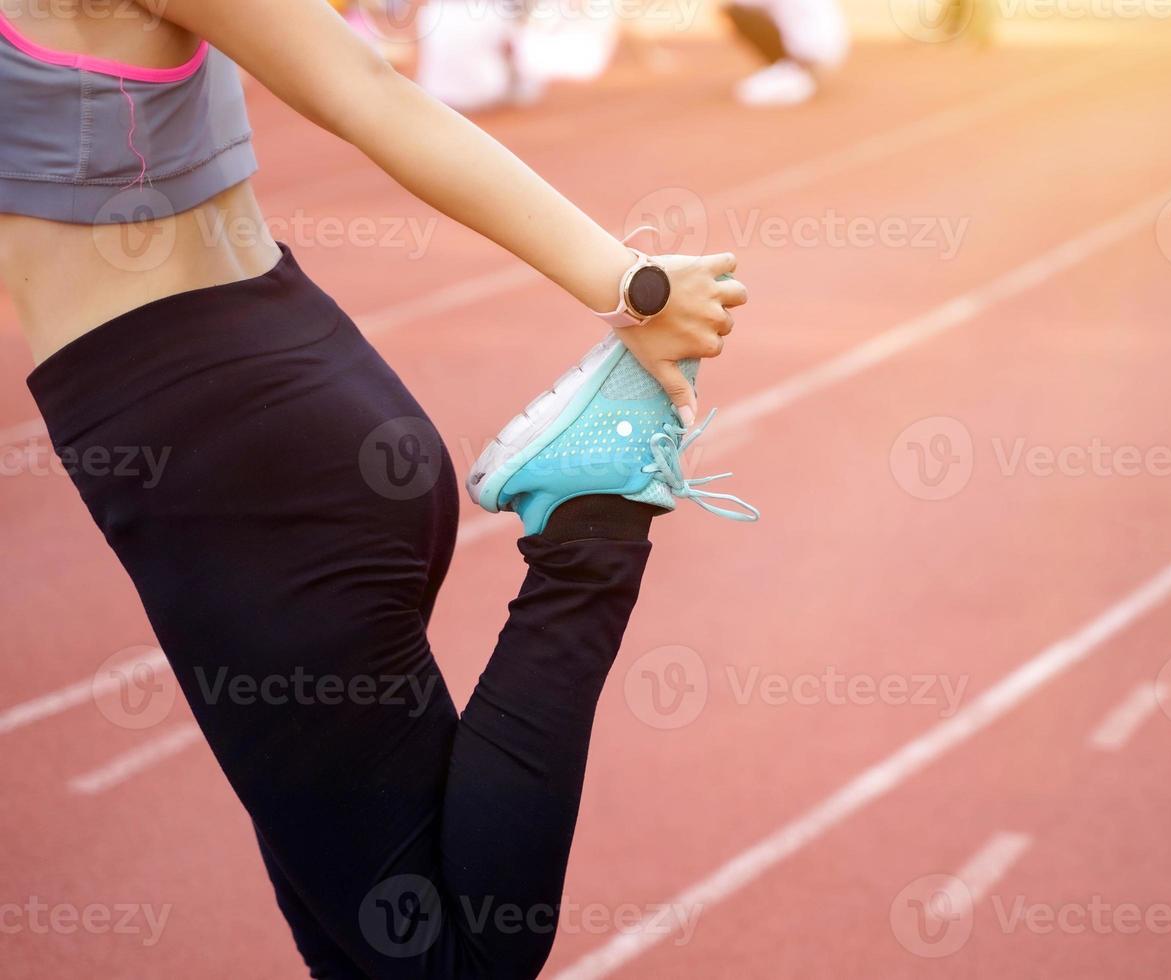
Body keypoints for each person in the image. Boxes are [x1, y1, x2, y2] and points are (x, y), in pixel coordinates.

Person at [0, 0, 755, 975]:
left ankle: (593, 521)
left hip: (240, 473)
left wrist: (630, 282)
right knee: (354, 946)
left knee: (456, 961)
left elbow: (366, 87)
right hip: (258, 432)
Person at [725, 0, 849, 107]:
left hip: (807, 57)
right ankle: (793, 76)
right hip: (833, 52)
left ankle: (796, 78)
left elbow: (740, 5)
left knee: (748, 92)